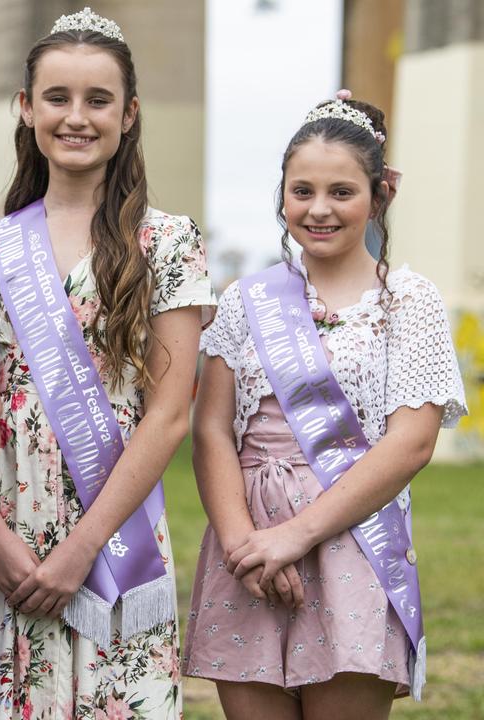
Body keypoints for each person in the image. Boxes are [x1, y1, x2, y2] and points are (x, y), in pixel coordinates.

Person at [0, 8, 214, 719]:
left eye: (98, 100)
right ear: (25, 108)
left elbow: (167, 417)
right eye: (58, 97)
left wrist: (81, 547)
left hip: (113, 526)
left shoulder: (167, 243)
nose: (78, 117)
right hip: (6, 523)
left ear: (129, 114)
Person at [184, 91, 467, 719]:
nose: (319, 209)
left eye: (341, 192)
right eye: (301, 190)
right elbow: (211, 433)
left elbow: (412, 442)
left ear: (379, 195)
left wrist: (295, 537)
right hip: (248, 547)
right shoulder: (245, 301)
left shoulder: (408, 301)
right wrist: (244, 544)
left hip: (354, 544)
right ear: (282, 195)